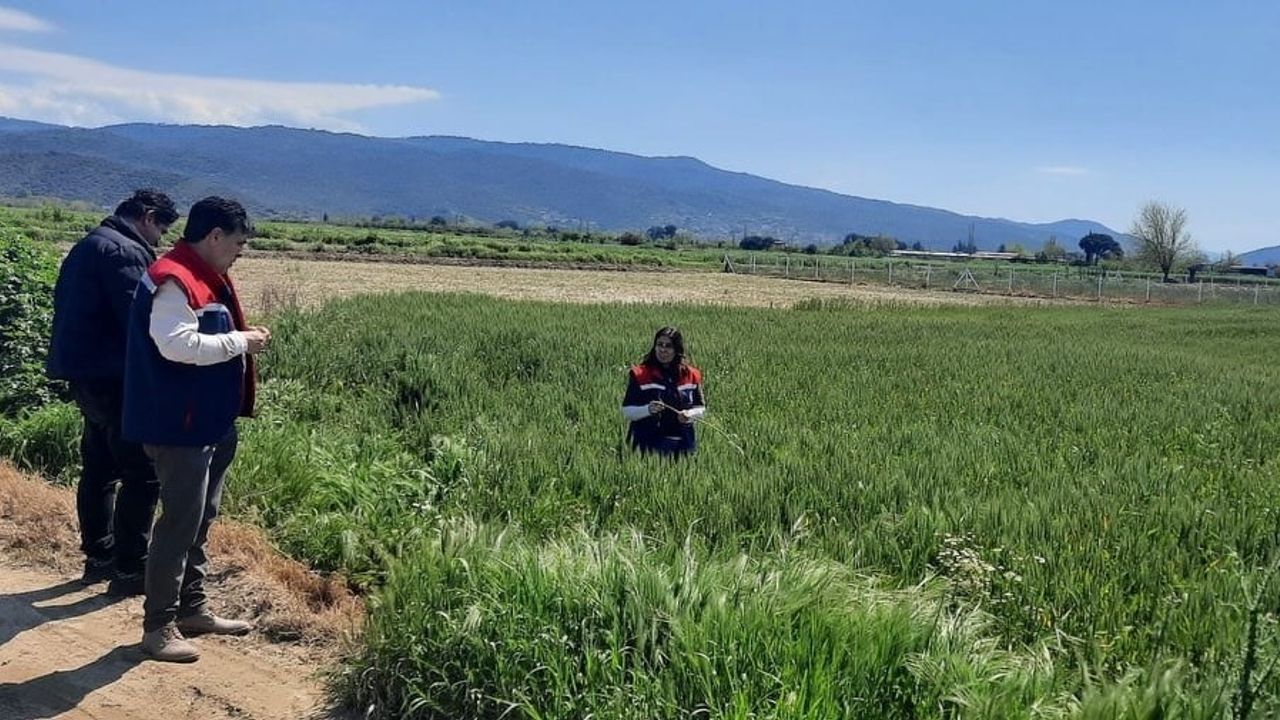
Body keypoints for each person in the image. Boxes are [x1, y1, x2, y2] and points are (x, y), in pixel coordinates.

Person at [122, 197, 271, 663]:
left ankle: (192, 609)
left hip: (207, 422)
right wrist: (240, 342)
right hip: (179, 425)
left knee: (200, 518)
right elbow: (175, 345)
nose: (241, 251)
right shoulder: (175, 278)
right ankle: (158, 627)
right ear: (215, 236)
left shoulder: (203, 274)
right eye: (239, 242)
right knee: (178, 525)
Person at [46, 189, 178, 595]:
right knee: (141, 472)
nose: (160, 239)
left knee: (100, 469)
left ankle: (98, 556)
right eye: (162, 228)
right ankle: (128, 567)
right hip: (114, 376)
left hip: (84, 374)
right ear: (148, 216)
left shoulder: (90, 243)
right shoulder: (124, 252)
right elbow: (138, 320)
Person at [621, 326, 706, 457]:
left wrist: (690, 414)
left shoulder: (692, 375)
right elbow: (627, 411)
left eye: (668, 346)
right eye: (659, 345)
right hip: (646, 446)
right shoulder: (640, 374)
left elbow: (701, 408)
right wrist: (648, 409)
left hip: (682, 445)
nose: (663, 350)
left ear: (677, 350)